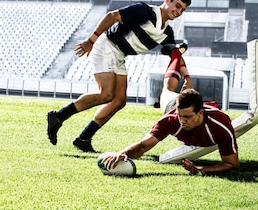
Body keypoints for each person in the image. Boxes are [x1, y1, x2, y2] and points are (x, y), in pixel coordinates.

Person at [47, 0, 192, 152]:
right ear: (167, 0)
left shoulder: (167, 33)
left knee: (119, 100)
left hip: (119, 55)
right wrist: (90, 40)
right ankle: (59, 116)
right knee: (106, 94)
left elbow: (173, 53)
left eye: (182, 9)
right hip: (106, 45)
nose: (178, 11)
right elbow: (112, 16)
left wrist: (187, 76)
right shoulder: (145, 11)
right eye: (177, 5)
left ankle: (84, 138)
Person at [101, 48, 239, 175]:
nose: (182, 121)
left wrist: (200, 169)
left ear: (200, 114)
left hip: (200, 107)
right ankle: (175, 53)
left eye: (187, 117)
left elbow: (232, 164)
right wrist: (123, 153)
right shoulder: (171, 119)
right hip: (172, 105)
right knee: (166, 90)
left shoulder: (220, 126)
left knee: (183, 92)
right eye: (180, 116)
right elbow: (143, 146)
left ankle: (184, 73)